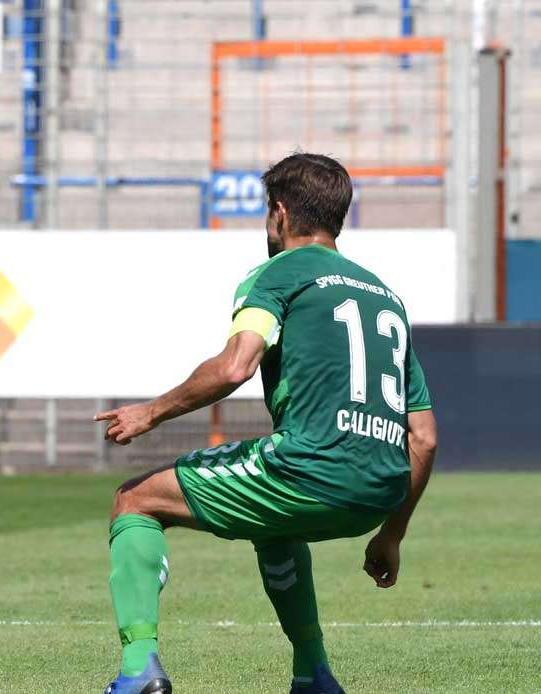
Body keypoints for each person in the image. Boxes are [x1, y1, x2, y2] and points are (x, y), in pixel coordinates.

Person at [95, 153, 438, 694]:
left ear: (279, 213)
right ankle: (314, 675)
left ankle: (139, 670)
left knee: (134, 500)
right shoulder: (386, 298)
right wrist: (391, 533)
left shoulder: (278, 273)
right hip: (379, 490)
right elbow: (424, 436)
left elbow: (236, 365)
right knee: (272, 529)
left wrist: (150, 411)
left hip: (307, 468)